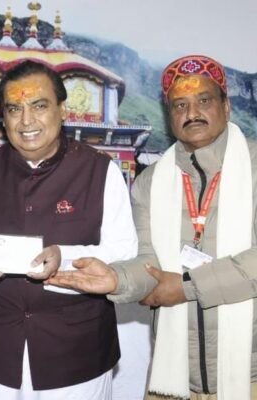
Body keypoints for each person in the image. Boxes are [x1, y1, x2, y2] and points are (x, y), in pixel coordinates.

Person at [48, 55, 257, 400]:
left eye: (204, 100)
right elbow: (148, 263)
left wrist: (188, 286)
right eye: (180, 105)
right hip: (173, 379)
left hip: (250, 376)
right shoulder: (152, 181)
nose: (192, 113)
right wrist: (117, 279)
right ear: (169, 114)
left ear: (226, 106)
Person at [0, 60, 138, 399]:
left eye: (39, 106)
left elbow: (124, 251)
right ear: (2, 117)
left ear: (62, 110)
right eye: (14, 109)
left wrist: (64, 257)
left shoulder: (99, 171)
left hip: (76, 355)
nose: (26, 121)